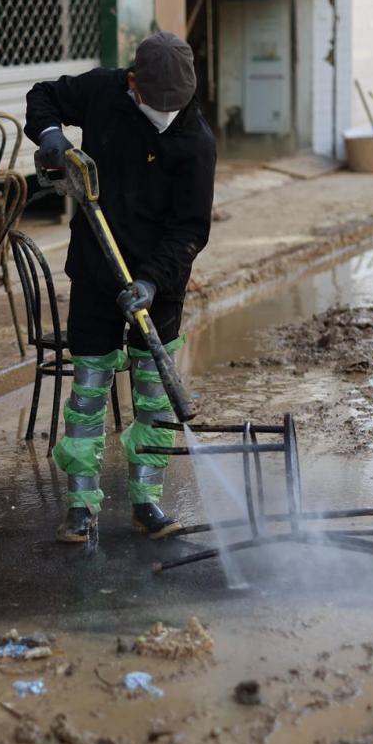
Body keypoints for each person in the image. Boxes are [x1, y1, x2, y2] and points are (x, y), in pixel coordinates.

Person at [25, 31, 217, 543]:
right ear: (133, 84)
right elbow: (43, 94)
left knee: (154, 400)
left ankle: (147, 503)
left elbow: (191, 229)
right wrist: (50, 134)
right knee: (88, 391)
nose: (166, 115)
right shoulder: (104, 91)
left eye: (175, 107)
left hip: (158, 287)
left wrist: (153, 281)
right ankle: (80, 505)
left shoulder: (195, 141)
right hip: (95, 268)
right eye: (157, 105)